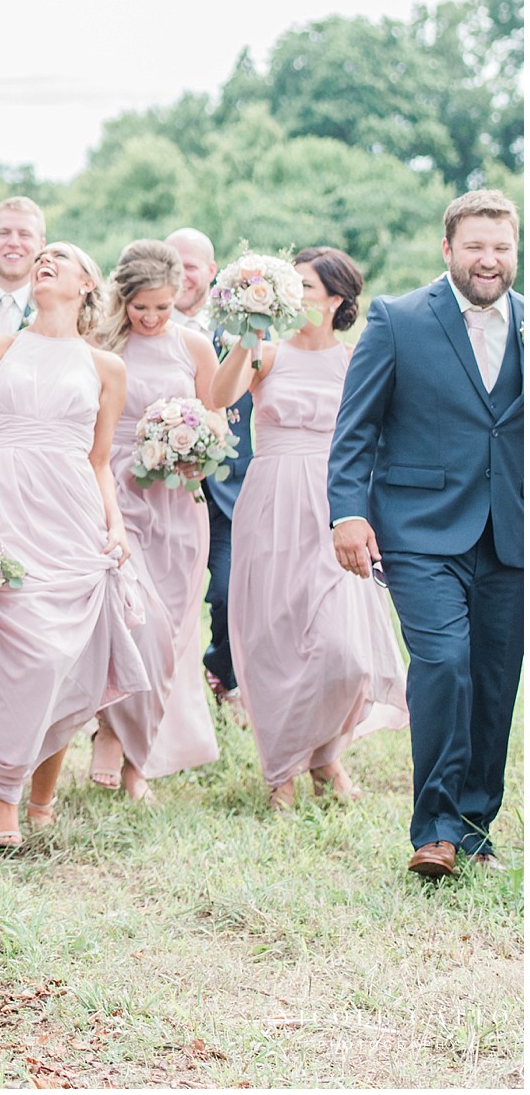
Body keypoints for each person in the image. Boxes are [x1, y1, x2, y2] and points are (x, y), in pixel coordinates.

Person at [330, 191, 523, 879]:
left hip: (511, 535)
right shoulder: (397, 318)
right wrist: (347, 512)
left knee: (496, 683)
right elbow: (356, 429)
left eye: (502, 246)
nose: (489, 259)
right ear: (448, 249)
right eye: (476, 245)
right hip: (419, 531)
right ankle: (434, 828)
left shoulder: (529, 325)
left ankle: (475, 828)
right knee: (443, 663)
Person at [0, 242, 149, 846]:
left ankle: (38, 796)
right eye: (41, 255)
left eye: (60, 257)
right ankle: (5, 795)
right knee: (26, 661)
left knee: (65, 660)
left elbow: (99, 463)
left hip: (73, 517)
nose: (44, 259)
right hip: (6, 513)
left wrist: (115, 525)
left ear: (88, 284)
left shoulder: (106, 367)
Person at [213, 247, 407, 810]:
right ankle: (284, 770)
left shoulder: (354, 361)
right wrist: (247, 336)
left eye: (307, 287)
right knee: (275, 637)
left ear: (337, 300)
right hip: (271, 500)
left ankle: (322, 754)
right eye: (290, 285)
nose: (295, 296)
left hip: (335, 506)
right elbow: (217, 398)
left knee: (343, 651)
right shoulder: (265, 353)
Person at [89, 241, 219, 801]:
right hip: (114, 494)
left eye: (162, 307)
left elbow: (215, 418)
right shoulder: (99, 342)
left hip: (177, 500)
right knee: (135, 623)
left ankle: (137, 759)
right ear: (124, 299)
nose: (150, 318)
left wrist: (193, 447)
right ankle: (113, 733)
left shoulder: (193, 344)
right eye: (141, 307)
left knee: (170, 636)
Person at [168, 226, 252, 711]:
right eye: (172, 264)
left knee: (227, 591)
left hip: (225, 491)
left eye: (191, 265)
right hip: (159, 489)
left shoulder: (238, 330)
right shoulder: (136, 330)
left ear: (212, 272)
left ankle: (222, 671)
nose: (182, 275)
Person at [0, 197, 44, 336]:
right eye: (3, 233)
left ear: (41, 245)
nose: (14, 242)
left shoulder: (51, 310)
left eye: (24, 234)